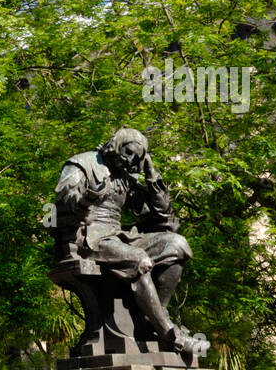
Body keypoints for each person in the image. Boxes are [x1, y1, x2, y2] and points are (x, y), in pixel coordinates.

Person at [54, 126, 198, 355]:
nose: (129, 159)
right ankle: (168, 333)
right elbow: (62, 203)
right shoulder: (82, 163)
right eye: (128, 152)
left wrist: (151, 174)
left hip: (119, 237)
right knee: (139, 259)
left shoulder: (126, 177)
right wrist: (86, 199)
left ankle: (153, 318)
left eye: (135, 157)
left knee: (178, 244)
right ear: (117, 144)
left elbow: (162, 217)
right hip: (90, 237)